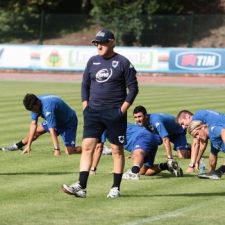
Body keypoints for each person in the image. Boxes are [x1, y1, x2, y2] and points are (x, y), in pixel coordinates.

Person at [62, 28, 139, 198]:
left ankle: (115, 188)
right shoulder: (92, 61)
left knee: (117, 150)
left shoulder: (123, 62)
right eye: (96, 43)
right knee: (88, 147)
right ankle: (81, 186)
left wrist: (122, 110)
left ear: (112, 42)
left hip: (114, 113)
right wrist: (85, 105)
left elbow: (133, 89)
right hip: (93, 112)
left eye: (102, 42)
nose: (99, 46)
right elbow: (85, 85)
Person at [90, 123, 183, 179]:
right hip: (150, 138)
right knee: (143, 171)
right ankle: (166, 165)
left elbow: (99, 147)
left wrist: (93, 169)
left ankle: (133, 173)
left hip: (142, 138)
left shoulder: (103, 127)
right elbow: (117, 150)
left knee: (137, 154)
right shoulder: (114, 123)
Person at [0, 93, 81, 156]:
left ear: (37, 104)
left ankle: (89, 148)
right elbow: (33, 124)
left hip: (68, 122)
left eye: (33, 109)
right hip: (56, 120)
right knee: (36, 131)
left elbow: (52, 130)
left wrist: (57, 149)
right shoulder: (34, 104)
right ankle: (17, 146)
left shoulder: (48, 108)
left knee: (70, 151)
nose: (33, 111)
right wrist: (29, 145)